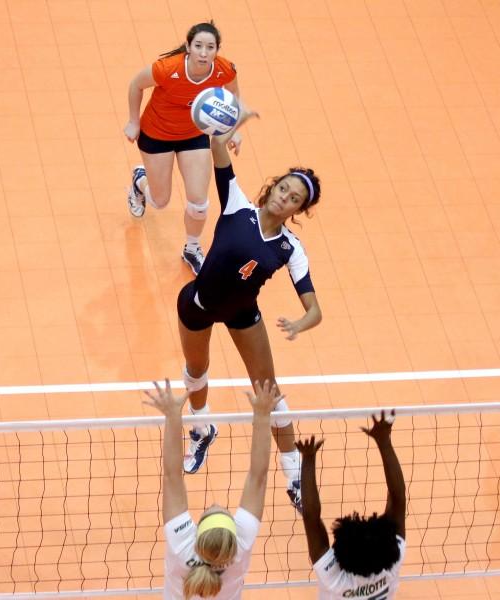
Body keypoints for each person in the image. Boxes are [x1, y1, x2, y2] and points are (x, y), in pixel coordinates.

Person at [175, 108, 322, 513]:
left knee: (269, 393)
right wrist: (238, 121)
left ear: (298, 210)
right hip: (199, 303)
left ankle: (294, 474)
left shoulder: (291, 249)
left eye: (295, 198)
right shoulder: (237, 204)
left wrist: (300, 323)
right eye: (284, 188)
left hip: (244, 316)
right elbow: (216, 145)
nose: (285, 197)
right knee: (195, 372)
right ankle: (202, 429)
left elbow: (314, 308)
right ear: (274, 187)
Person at [123, 21, 244, 275]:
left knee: (199, 203)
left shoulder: (224, 70)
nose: (203, 52)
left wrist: (233, 130)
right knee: (159, 201)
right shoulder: (167, 69)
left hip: (193, 135)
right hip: (157, 134)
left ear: (217, 50)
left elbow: (233, 97)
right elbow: (136, 84)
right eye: (198, 46)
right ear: (188, 47)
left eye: (210, 47)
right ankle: (139, 180)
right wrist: (134, 122)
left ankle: (192, 247)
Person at [143, 378, 279, 599]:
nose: (216, 505)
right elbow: (258, 477)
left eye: (211, 511)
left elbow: (172, 476)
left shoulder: (184, 544)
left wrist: (173, 416)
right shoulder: (231, 543)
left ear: (197, 535)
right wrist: (263, 416)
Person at [297, 411, 407, 599]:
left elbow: (310, 517)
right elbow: (398, 497)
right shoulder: (392, 561)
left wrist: (308, 459)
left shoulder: (335, 578)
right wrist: (384, 441)